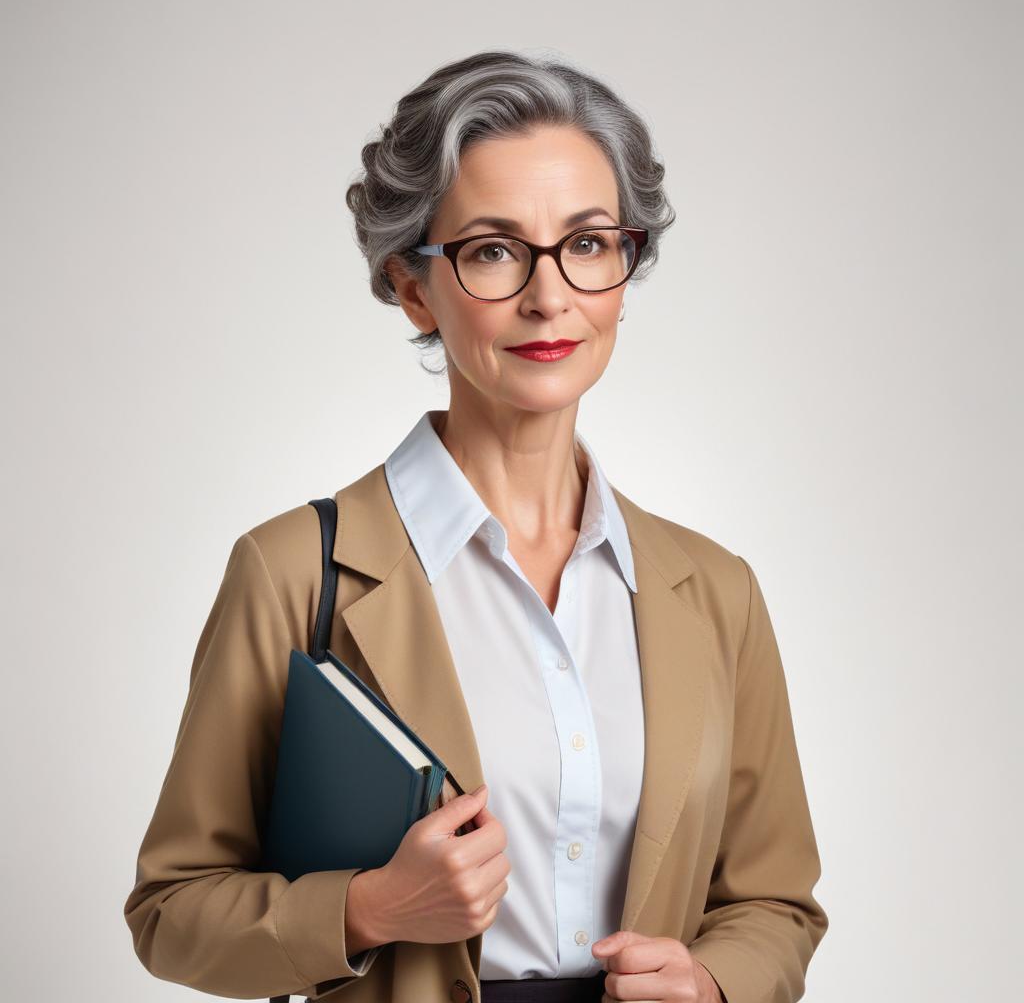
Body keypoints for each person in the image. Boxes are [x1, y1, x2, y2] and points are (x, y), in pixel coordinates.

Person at [124, 49, 828, 1003]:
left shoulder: (716, 590)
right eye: (493, 249)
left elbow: (777, 902)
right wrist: (369, 908)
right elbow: (172, 912)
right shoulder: (296, 569)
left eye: (587, 244)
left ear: (624, 268)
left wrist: (711, 982)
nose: (550, 296)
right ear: (414, 285)